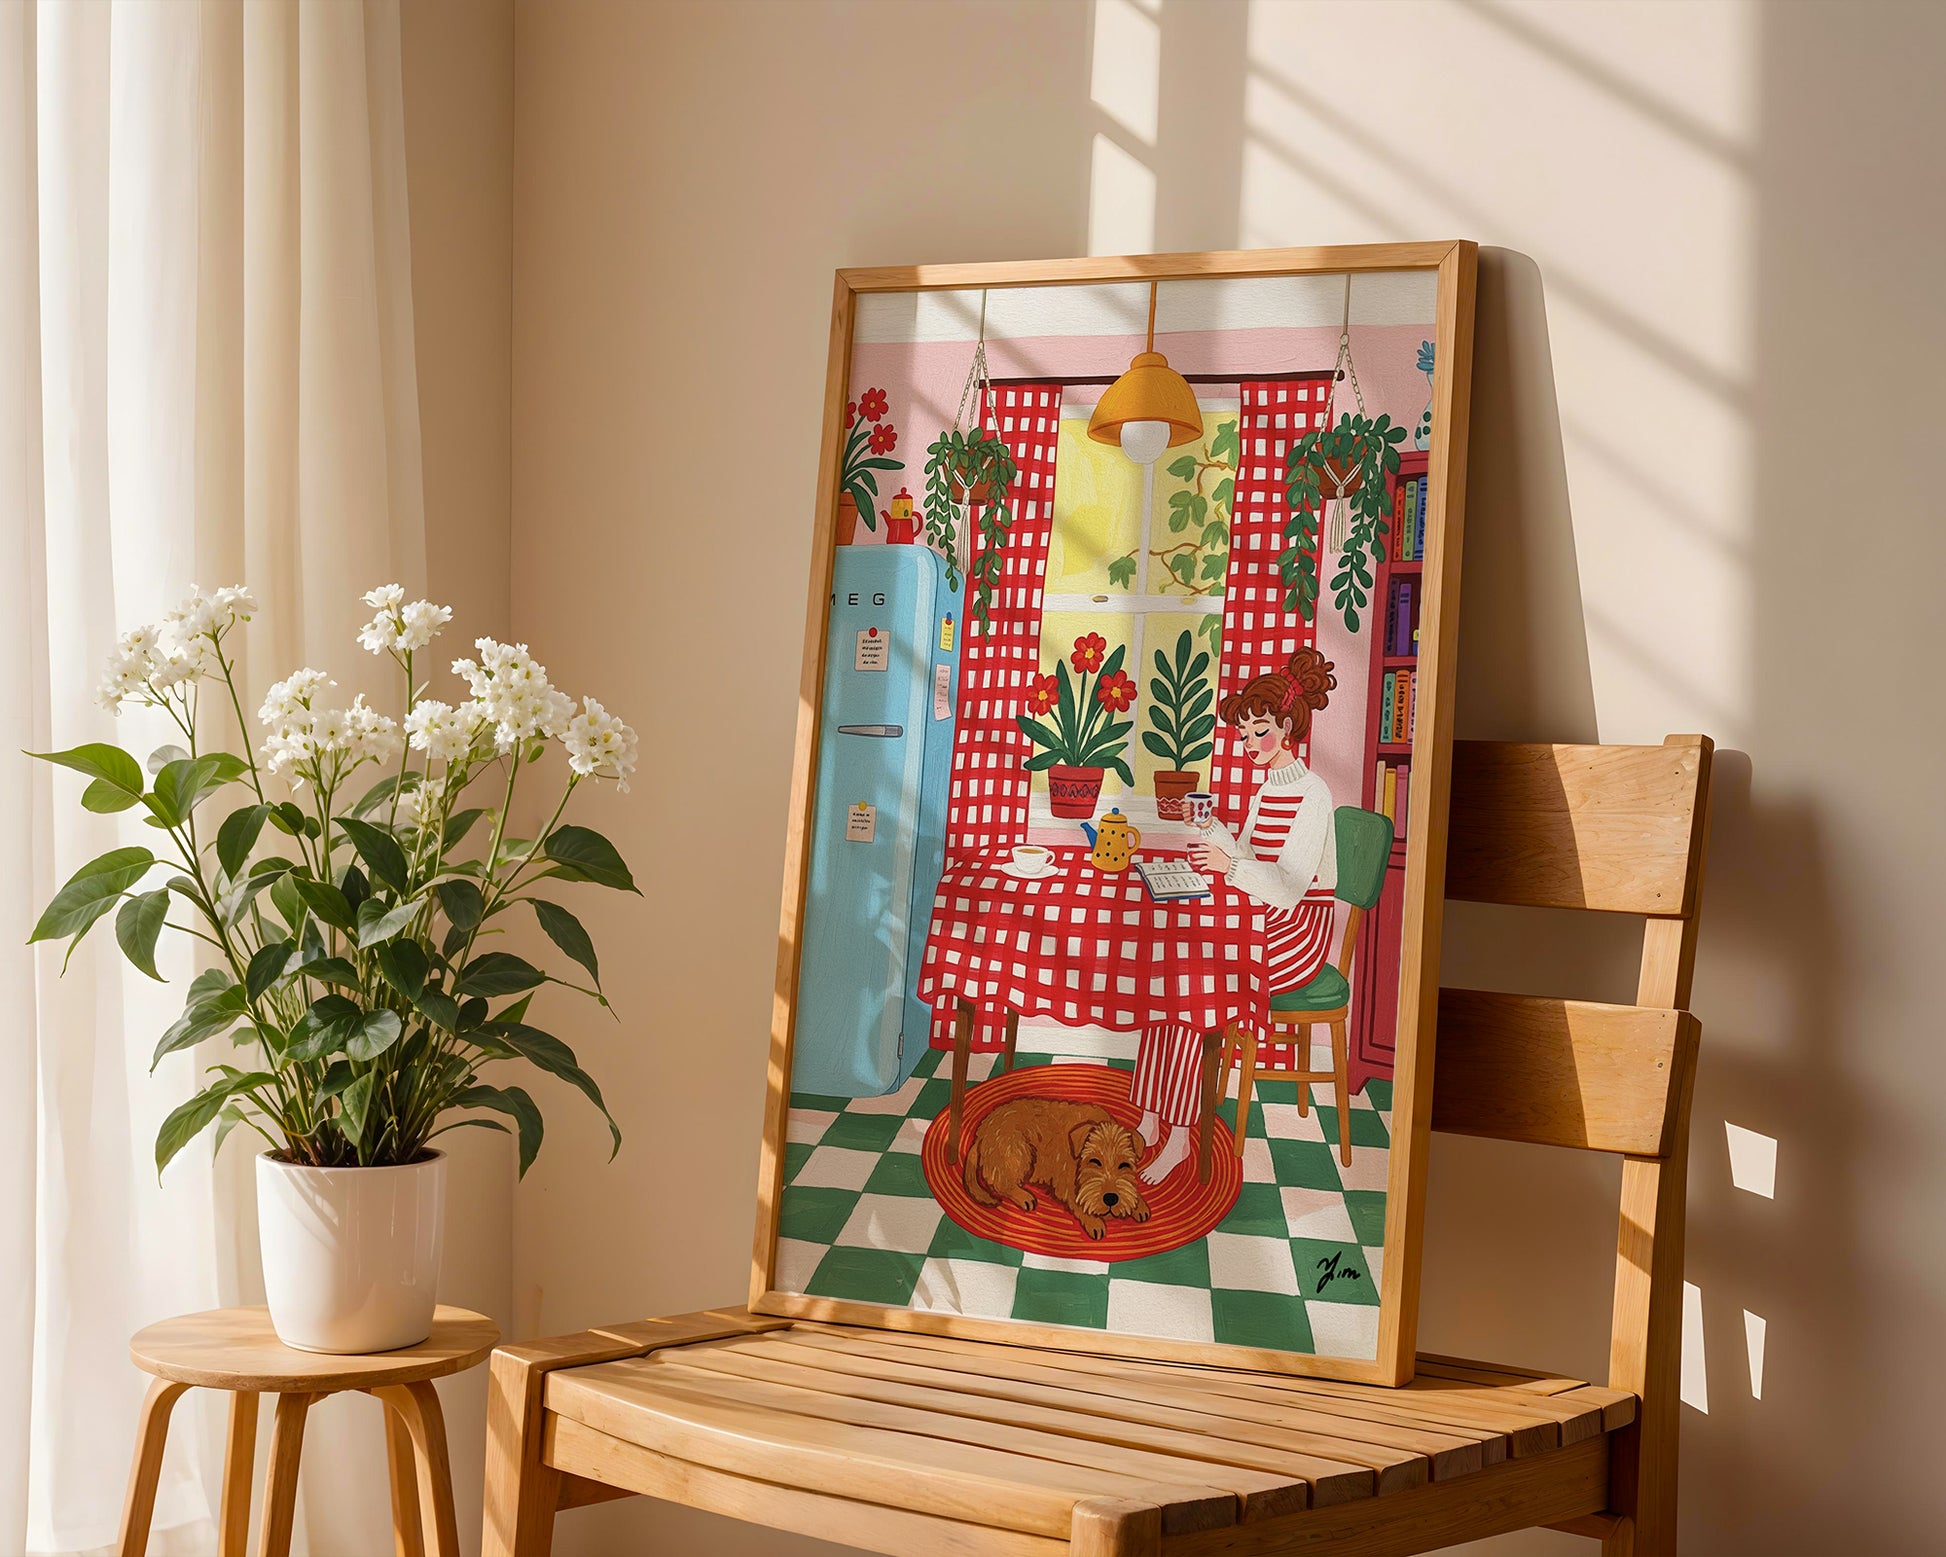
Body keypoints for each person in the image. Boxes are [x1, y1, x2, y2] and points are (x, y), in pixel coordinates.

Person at [1131, 647, 1338, 1183]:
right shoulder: (1268, 786)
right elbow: (1247, 858)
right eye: (1244, 734)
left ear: (1288, 726)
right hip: (1261, 915)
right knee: (1170, 968)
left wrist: (1229, 865)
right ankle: (1153, 1115)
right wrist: (1213, 829)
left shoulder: (1314, 794)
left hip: (1295, 932)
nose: (1249, 744)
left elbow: (1291, 889)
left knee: (1193, 979)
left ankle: (1179, 1135)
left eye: (1259, 731)